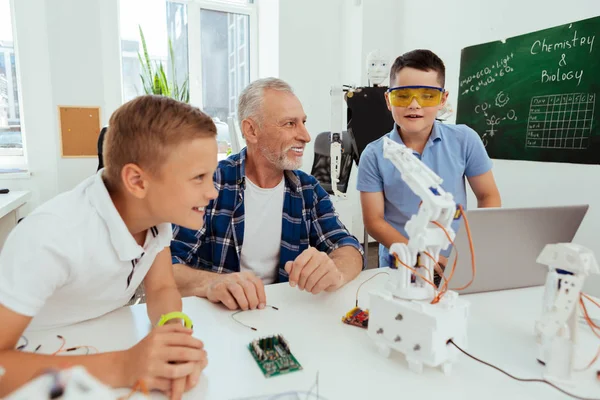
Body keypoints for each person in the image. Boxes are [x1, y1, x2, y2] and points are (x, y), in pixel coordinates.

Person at [0, 95, 218, 399]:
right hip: (35, 364)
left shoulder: (154, 216)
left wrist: (172, 333)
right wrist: (124, 366)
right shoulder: (51, 236)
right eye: (199, 178)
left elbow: (161, 288)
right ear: (137, 182)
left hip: (92, 345)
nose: (212, 191)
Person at [171, 78, 364, 311]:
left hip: (282, 311)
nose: (306, 136)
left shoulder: (308, 190)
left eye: (303, 122)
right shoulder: (211, 184)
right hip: (219, 315)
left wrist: (336, 270)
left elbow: (349, 248)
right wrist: (212, 283)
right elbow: (164, 267)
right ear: (251, 130)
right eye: (290, 124)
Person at [357, 49, 501, 269]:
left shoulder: (465, 140)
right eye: (403, 95)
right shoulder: (375, 154)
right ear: (388, 99)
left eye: (427, 95)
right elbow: (374, 221)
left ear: (443, 99)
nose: (414, 105)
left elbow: (488, 195)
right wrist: (421, 258)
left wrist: (475, 249)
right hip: (400, 262)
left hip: (455, 262)